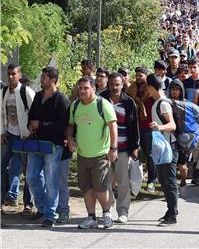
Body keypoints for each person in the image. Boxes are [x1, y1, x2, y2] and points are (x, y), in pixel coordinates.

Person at [66, 76, 118, 229]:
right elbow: (70, 125)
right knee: (86, 188)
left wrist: (113, 148)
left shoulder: (103, 105)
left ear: (93, 89)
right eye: (80, 88)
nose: (82, 91)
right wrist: (69, 138)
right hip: (82, 154)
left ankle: (107, 214)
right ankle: (91, 217)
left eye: (85, 88)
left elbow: (113, 127)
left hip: (101, 154)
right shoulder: (75, 106)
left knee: (100, 188)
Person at [25, 67, 70, 227]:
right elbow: (31, 116)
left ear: (52, 80)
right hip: (35, 143)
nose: (41, 80)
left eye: (43, 77)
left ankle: (51, 215)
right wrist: (30, 125)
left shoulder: (62, 100)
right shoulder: (38, 96)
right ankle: (42, 208)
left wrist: (41, 125)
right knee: (30, 177)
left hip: (53, 146)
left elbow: (62, 126)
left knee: (51, 181)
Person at [101, 73, 140, 224]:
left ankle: (123, 211)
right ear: (108, 84)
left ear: (123, 85)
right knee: (106, 180)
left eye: (117, 85)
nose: (114, 88)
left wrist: (135, 146)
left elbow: (134, 126)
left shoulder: (129, 102)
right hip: (104, 148)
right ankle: (107, 210)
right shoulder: (101, 100)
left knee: (123, 181)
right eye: (111, 84)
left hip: (123, 148)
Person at [1, 63, 35, 211]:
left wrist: (29, 132)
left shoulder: (26, 92)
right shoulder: (3, 92)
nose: (10, 76)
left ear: (19, 75)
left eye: (13, 74)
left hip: (24, 138)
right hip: (9, 136)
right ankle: (4, 198)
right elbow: (2, 114)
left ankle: (28, 203)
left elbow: (35, 112)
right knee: (3, 167)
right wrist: (2, 132)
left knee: (28, 171)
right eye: (8, 74)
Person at [147, 74, 179, 226]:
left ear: (151, 87)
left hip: (169, 148)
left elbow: (172, 125)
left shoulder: (163, 104)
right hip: (162, 148)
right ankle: (169, 211)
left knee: (170, 181)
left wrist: (159, 127)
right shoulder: (156, 103)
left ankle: (173, 215)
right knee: (163, 180)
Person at [127, 67, 157, 192]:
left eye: (141, 75)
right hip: (134, 126)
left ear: (146, 76)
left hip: (148, 127)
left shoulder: (151, 91)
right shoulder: (130, 90)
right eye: (137, 75)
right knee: (133, 154)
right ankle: (134, 181)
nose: (138, 77)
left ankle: (152, 180)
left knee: (150, 155)